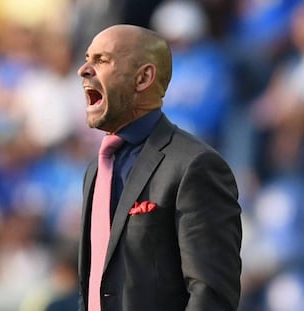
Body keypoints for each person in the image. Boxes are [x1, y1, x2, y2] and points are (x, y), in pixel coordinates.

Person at [77, 24, 242, 311]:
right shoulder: (96, 169)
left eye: (102, 60)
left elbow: (211, 294)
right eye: (88, 57)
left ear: (143, 78)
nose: (84, 69)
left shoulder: (194, 165)